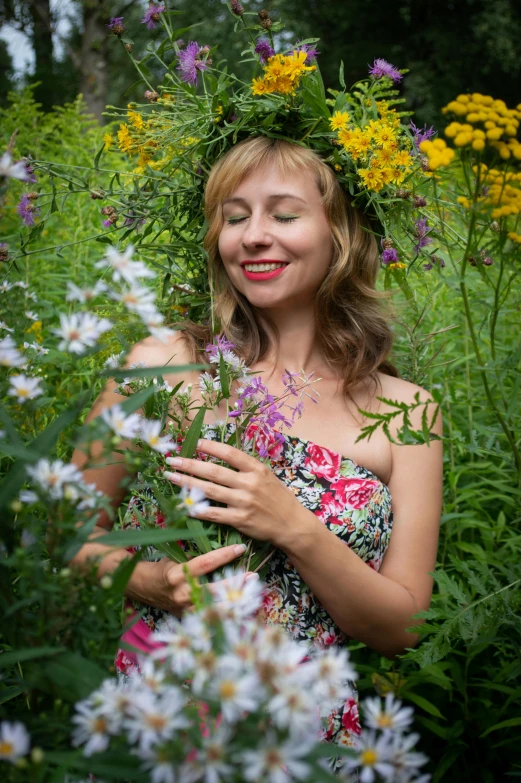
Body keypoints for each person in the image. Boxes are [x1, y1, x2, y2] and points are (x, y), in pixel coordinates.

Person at [71, 136, 443, 752]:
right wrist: (150, 580)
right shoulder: (160, 367)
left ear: (342, 233)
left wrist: (294, 527)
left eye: (285, 214)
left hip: (307, 738)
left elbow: (402, 628)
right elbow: (64, 534)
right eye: (235, 217)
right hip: (161, 720)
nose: (252, 236)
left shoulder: (407, 412)